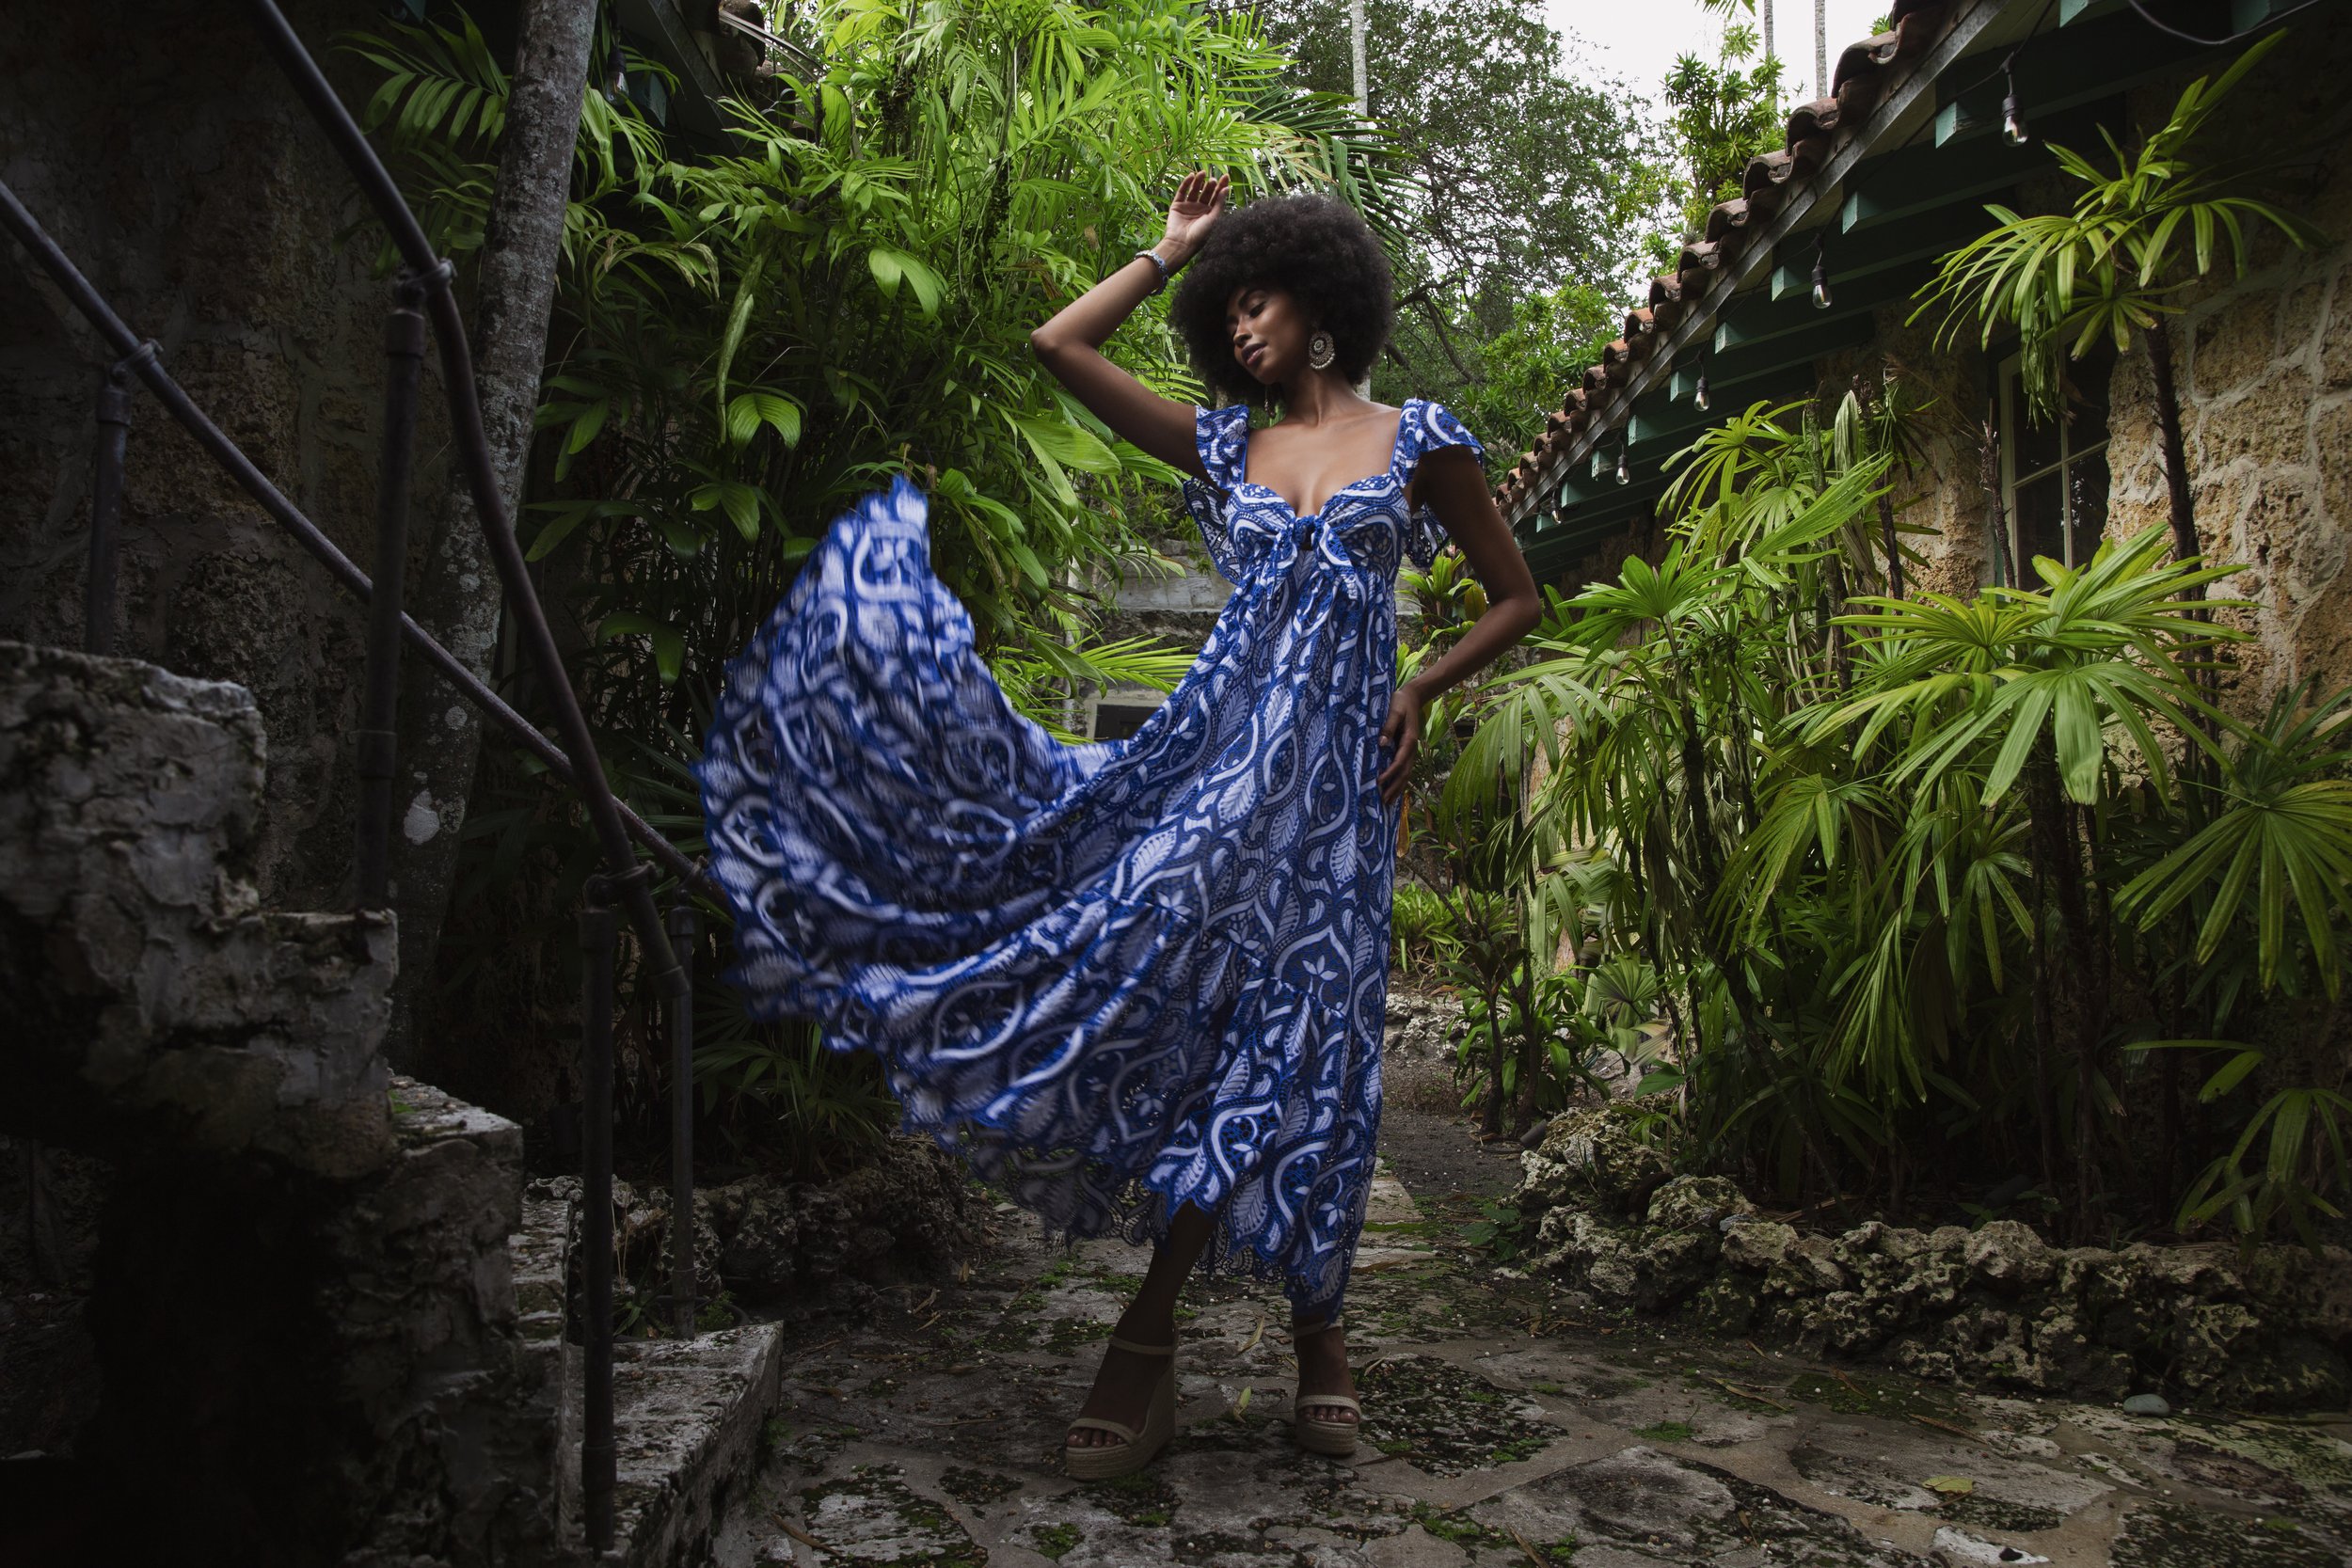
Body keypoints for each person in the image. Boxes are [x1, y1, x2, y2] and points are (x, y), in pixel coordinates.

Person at [695, 171, 1539, 1481]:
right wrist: (1169, 252)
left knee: (1310, 1046)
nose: (1240, 324)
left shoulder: (1423, 438)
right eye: (1228, 308)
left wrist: (1423, 686)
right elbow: (1059, 346)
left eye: (1258, 300)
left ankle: (1296, 1333)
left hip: (1336, 798)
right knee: (1173, 995)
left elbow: (1517, 598)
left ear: (1323, 304)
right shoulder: (1226, 445)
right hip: (1213, 768)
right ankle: (1188, 1339)